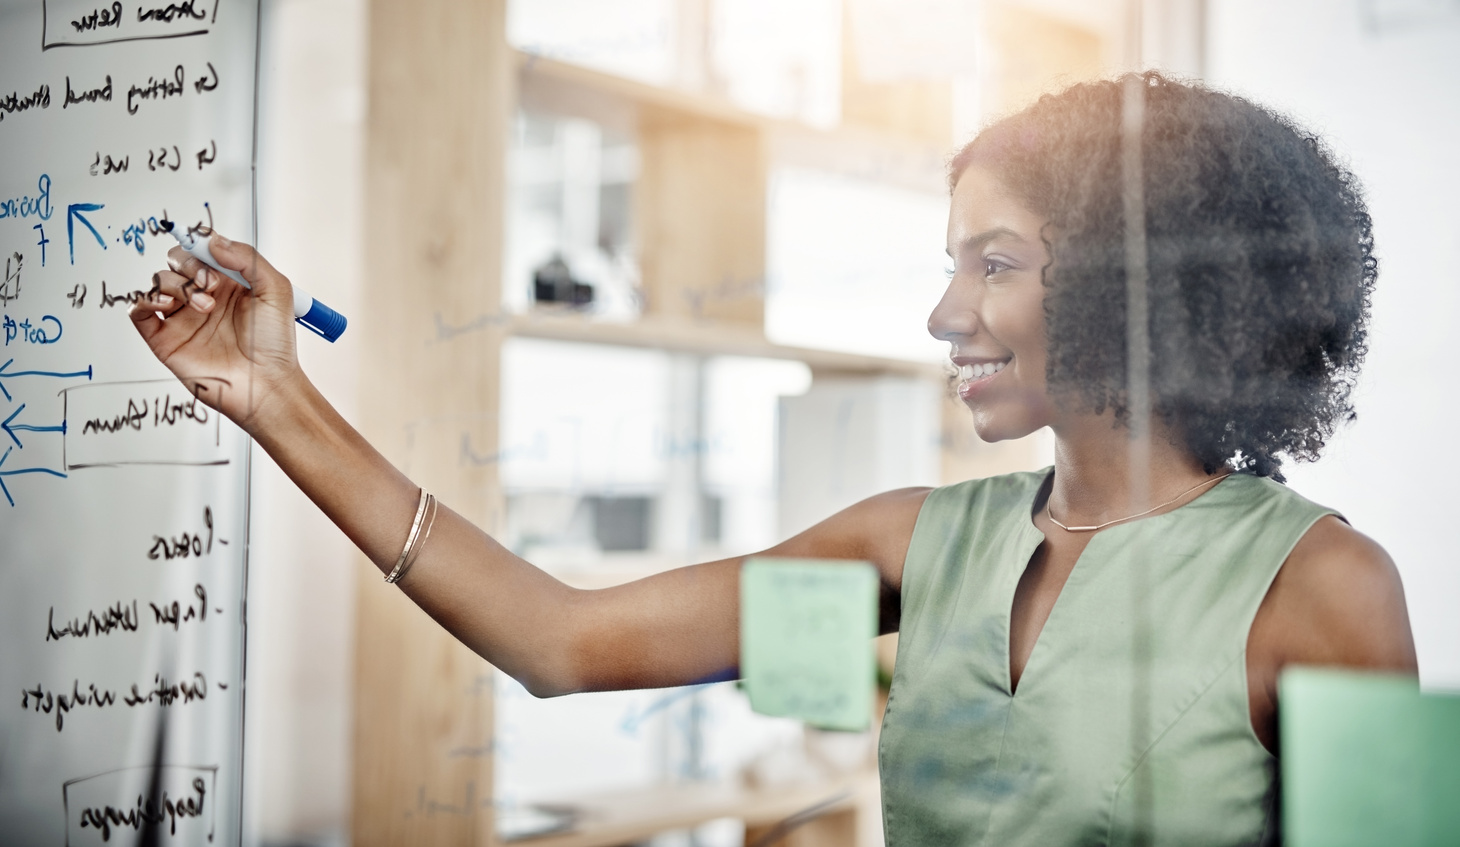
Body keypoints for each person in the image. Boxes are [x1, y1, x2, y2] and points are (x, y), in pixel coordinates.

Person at [129, 73, 1416, 845]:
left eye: (997, 262)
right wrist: (275, 395)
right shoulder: (910, 544)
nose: (945, 313)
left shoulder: (1325, 588)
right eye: (948, 263)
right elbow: (559, 641)